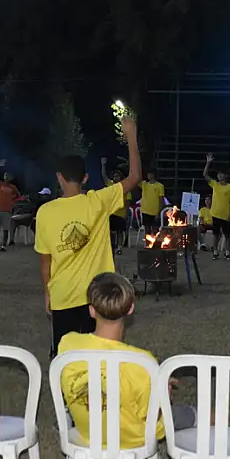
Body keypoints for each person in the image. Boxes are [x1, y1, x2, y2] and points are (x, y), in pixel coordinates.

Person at [57, 272, 228, 459]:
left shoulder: (68, 343)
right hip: (133, 436)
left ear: (91, 310)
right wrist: (163, 394)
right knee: (210, 418)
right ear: (130, 309)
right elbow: (153, 416)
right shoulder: (142, 362)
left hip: (87, 430)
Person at [37, 116, 141, 358]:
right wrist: (131, 137)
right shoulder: (98, 201)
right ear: (85, 178)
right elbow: (135, 177)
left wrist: (47, 292)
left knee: (65, 359)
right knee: (99, 356)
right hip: (97, 297)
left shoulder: (45, 212)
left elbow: (45, 262)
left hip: (62, 296)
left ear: (59, 177)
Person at [202, 154, 230, 260]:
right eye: (219, 174)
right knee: (216, 234)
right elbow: (205, 174)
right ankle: (215, 251)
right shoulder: (215, 184)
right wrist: (208, 162)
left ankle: (227, 252)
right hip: (215, 213)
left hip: (225, 215)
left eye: (222, 174)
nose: (220, 176)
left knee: (227, 235)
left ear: (226, 176)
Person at [102, 160, 132, 254]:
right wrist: (103, 165)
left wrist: (126, 213)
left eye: (117, 176)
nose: (116, 177)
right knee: (110, 230)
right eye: (114, 176)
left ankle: (119, 247)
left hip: (121, 213)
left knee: (120, 231)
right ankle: (111, 246)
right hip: (111, 212)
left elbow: (128, 202)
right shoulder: (111, 185)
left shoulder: (125, 187)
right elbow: (104, 177)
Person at [139, 170, 168, 236]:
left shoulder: (160, 186)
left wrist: (159, 211)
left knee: (155, 229)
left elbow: (161, 200)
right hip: (145, 210)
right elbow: (136, 181)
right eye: (148, 174)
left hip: (155, 211)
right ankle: (147, 244)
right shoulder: (144, 184)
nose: (149, 175)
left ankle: (155, 244)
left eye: (151, 174)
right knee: (147, 229)